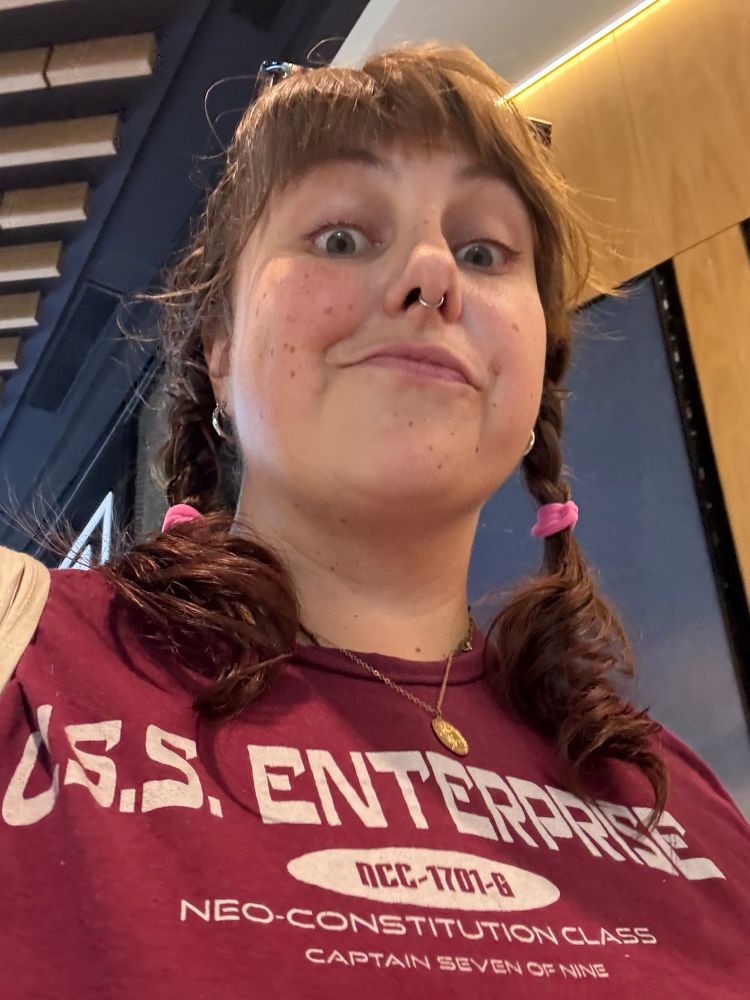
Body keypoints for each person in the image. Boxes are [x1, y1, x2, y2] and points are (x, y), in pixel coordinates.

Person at [1, 42, 748, 1000]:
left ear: (538, 373)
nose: (432, 272)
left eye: (484, 251)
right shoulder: (25, 657)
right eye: (342, 237)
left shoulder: (669, 794)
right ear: (219, 349)